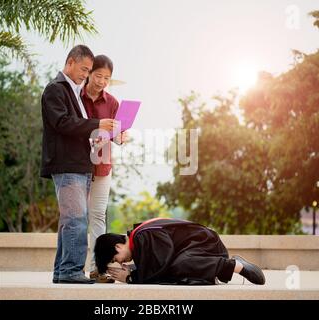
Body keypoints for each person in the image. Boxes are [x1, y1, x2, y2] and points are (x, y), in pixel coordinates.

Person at [40, 45, 118, 284]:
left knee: (69, 219)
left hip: (78, 164)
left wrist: (95, 134)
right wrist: (96, 124)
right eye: (84, 69)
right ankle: (72, 271)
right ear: (70, 62)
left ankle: (62, 271)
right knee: (76, 219)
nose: (86, 74)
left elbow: (74, 126)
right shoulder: (56, 89)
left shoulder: (71, 91)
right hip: (67, 165)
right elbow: (62, 123)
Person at [94, 217, 266, 285]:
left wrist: (132, 278)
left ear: (118, 246)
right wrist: (135, 271)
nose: (121, 262)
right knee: (179, 266)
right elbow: (158, 263)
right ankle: (219, 270)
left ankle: (236, 266)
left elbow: (163, 264)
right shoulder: (139, 237)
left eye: (116, 259)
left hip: (206, 245)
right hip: (198, 250)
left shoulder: (142, 237)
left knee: (179, 265)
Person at [81, 54, 128, 283]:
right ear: (89, 73)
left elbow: (116, 135)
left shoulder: (112, 103)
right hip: (77, 166)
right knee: (77, 217)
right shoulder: (76, 97)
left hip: (102, 167)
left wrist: (121, 136)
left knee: (98, 216)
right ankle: (71, 267)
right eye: (98, 75)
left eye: (106, 78)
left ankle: (97, 268)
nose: (101, 81)